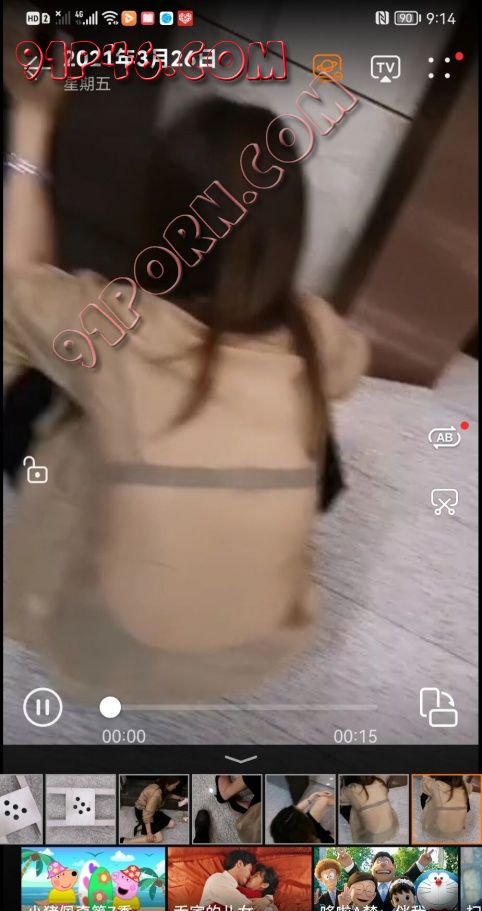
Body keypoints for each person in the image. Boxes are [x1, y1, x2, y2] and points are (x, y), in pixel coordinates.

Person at [3, 47, 369, 708]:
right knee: (306, 420)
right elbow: (349, 368)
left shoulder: (116, 326)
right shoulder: (315, 331)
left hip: (109, 647)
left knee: (34, 373)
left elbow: (18, 284)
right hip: (258, 648)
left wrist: (34, 118)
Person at [336, 848, 433, 911]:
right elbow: (357, 877)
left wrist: (422, 862)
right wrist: (348, 863)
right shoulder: (367, 884)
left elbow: (411, 874)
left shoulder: (401, 883)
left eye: (386, 861)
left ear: (394, 866)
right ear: (371, 867)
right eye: (378, 862)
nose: (382, 864)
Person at [197, 850, 275, 911]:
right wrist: (270, 909)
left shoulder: (235, 887)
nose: (250, 876)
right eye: (249, 870)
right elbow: (247, 910)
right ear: (240, 864)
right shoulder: (218, 879)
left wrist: (267, 900)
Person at [339, 775, 399, 843]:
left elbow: (341, 800)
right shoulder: (379, 782)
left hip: (371, 837)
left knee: (343, 808)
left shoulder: (350, 789)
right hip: (391, 830)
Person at [420, 775, 472, 841]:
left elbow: (424, 781)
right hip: (456, 832)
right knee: (464, 800)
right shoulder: (465, 786)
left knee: (424, 796)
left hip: (435, 832)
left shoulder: (434, 785)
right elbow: (468, 807)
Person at [133, 776, 183, 842]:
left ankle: (143, 826)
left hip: (152, 810)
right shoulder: (156, 794)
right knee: (159, 838)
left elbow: (166, 795)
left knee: (172, 824)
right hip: (142, 812)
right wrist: (149, 833)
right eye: (174, 785)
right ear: (167, 784)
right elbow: (147, 814)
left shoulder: (162, 786)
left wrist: (178, 797)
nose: (175, 787)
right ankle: (126, 841)